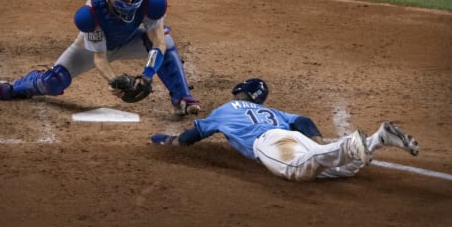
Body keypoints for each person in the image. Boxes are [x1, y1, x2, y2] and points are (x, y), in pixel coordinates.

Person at [0, 0, 200, 115]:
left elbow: (158, 44)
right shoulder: (90, 14)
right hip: (93, 48)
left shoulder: (150, 4)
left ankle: (182, 96)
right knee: (54, 82)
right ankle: (20, 86)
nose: (130, 0)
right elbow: (100, 57)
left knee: (167, 42)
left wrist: (147, 75)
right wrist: (115, 81)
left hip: (129, 41)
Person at [150, 78, 420, 181]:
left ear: (239, 92)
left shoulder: (226, 109)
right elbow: (302, 120)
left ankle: (349, 144)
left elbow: (193, 135)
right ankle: (377, 139)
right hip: (295, 137)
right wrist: (316, 142)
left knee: (297, 171)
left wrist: (170, 141)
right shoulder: (273, 112)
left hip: (270, 143)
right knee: (343, 169)